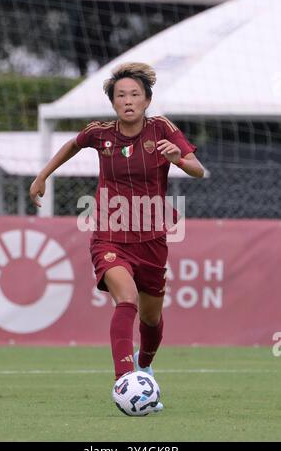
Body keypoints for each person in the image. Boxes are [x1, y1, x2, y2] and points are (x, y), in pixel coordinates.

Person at [30, 62, 204, 414]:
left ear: (147, 100)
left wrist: (179, 160)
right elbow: (72, 145)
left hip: (152, 237)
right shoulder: (100, 133)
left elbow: (197, 169)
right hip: (109, 235)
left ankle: (144, 365)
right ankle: (125, 380)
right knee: (126, 300)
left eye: (135, 95)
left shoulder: (162, 129)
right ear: (112, 103)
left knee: (152, 321)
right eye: (121, 95)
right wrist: (42, 176)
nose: (128, 101)